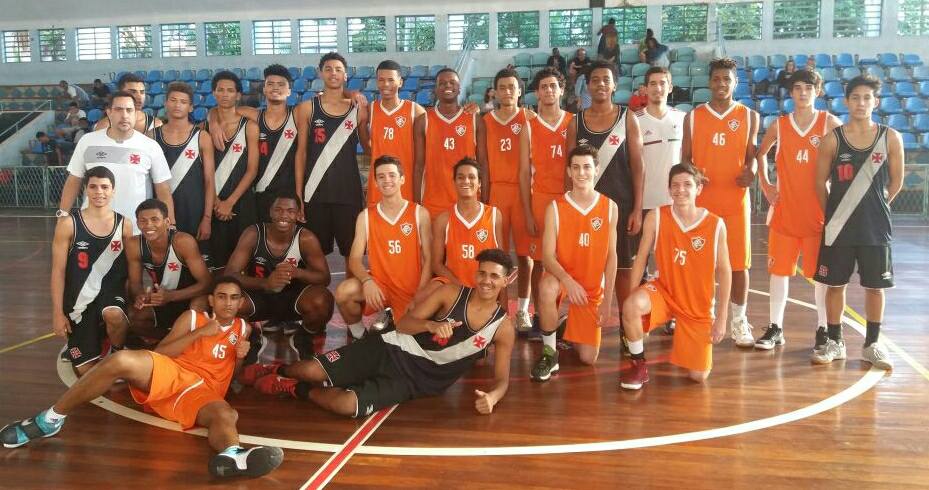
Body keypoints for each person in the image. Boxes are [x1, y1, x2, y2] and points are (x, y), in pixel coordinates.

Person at [1, 277, 285, 479]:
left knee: (226, 414)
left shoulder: (243, 329)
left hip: (204, 393)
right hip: (173, 375)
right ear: (211, 299)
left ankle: (233, 456)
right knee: (121, 360)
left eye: (234, 298)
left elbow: (233, 378)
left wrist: (240, 357)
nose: (228, 303)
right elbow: (161, 353)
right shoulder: (193, 318)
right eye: (221, 296)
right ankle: (49, 419)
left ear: (240, 302)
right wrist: (200, 333)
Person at [243, 249, 516, 418]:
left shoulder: (503, 327)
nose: (486, 281)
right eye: (482, 274)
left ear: (506, 280)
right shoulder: (451, 294)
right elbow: (405, 323)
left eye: (494, 276)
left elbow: (502, 379)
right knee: (311, 371)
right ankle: (279, 369)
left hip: (416, 381)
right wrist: (431, 326)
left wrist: (492, 397)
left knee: (347, 405)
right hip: (390, 347)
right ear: (476, 275)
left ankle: (295, 388)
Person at [811, 75, 902, 370]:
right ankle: (835, 341)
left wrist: (876, 208)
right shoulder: (832, 139)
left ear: (876, 102)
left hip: (876, 228)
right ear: (846, 102)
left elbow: (896, 182)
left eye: (867, 98)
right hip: (839, 227)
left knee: (875, 288)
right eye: (855, 98)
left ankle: (872, 345)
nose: (861, 103)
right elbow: (819, 184)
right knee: (835, 285)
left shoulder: (890, 137)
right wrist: (835, 214)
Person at [619, 164, 731, 388]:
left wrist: (721, 318)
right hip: (664, 292)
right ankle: (638, 365)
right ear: (669, 190)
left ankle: (684, 336)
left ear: (699, 189)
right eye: (675, 185)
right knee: (632, 306)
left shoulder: (715, 225)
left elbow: (725, 271)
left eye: (687, 185)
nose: (681, 190)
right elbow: (640, 259)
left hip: (696, 305)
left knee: (698, 376)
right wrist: (630, 299)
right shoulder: (656, 217)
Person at [754, 69, 842, 350]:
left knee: (821, 277)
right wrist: (766, 185)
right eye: (798, 88)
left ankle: (823, 328)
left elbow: (847, 156)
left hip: (818, 214)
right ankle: (775, 327)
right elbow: (760, 154)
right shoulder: (780, 125)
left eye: (809, 87)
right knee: (779, 273)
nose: (803, 92)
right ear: (791, 92)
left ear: (818, 91)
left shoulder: (829, 123)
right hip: (785, 213)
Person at [681, 57, 759, 348]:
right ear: (709, 82)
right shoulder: (693, 117)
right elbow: (685, 159)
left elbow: (752, 157)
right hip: (702, 205)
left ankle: (739, 320)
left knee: (739, 266)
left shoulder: (749, 116)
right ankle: (701, 317)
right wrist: (694, 175)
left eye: (727, 79)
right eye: (716, 79)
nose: (721, 84)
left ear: (735, 83)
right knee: (699, 265)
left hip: (735, 203)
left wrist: (751, 171)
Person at [568, 59, 645, 331]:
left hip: (621, 206)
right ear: (587, 86)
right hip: (585, 210)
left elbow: (638, 166)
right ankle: (584, 327)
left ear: (614, 85)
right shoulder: (575, 122)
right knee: (584, 268)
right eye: (595, 80)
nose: (600, 84)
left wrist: (637, 209)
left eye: (606, 79)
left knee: (623, 269)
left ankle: (627, 328)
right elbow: (569, 168)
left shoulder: (628, 118)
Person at [530, 145, 618, 381]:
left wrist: (608, 301)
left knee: (587, 358)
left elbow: (612, 257)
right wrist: (567, 281)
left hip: (590, 289)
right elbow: (547, 256)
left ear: (596, 169)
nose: (581, 173)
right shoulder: (555, 208)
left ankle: (564, 324)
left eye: (587, 167)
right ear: (568, 171)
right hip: (562, 279)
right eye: (576, 167)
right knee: (546, 288)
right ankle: (549, 353)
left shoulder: (610, 207)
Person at [224, 192, 334, 360]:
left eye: (290, 211)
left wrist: (296, 272)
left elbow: (324, 278)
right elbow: (230, 275)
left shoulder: (305, 238)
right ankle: (252, 335)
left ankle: (303, 336)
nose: (284, 215)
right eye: (278, 210)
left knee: (321, 301)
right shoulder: (254, 233)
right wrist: (265, 283)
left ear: (298, 214)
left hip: (293, 299)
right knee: (230, 301)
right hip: (260, 297)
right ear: (270, 212)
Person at [336, 155, 432, 340]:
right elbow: (354, 259)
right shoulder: (365, 216)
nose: (387, 180)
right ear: (375, 182)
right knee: (344, 292)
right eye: (381, 176)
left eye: (392, 175)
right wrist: (367, 281)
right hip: (380, 286)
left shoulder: (419, 213)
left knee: (410, 339)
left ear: (402, 179)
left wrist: (421, 294)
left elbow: (429, 259)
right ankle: (360, 336)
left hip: (410, 289)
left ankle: (392, 316)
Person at [50, 166, 135, 375]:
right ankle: (93, 336)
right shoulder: (68, 224)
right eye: (93, 187)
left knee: (114, 314)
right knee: (86, 372)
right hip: (79, 299)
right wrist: (57, 313)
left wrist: (134, 299)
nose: (99, 192)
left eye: (105, 187)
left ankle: (117, 351)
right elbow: (58, 272)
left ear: (113, 190)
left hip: (110, 293)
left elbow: (133, 266)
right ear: (85, 190)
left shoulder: (124, 224)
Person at [57, 91, 175, 234]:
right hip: (91, 229)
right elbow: (74, 180)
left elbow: (163, 189)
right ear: (109, 112)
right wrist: (62, 215)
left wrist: (171, 224)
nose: (124, 115)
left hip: (136, 230)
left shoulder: (150, 146)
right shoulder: (87, 141)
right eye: (119, 109)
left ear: (135, 113)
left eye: (129, 110)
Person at [296, 52, 366, 266]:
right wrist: (298, 194)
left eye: (338, 69)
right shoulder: (307, 108)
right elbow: (301, 153)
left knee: (352, 256)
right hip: (315, 192)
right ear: (320, 73)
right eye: (328, 69)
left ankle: (351, 291)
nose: (333, 73)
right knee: (313, 256)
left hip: (348, 192)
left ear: (346, 75)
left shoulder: (359, 109)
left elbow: (370, 147)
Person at [478, 68, 533, 332]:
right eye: (502, 87)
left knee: (525, 256)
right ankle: (497, 312)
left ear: (519, 91)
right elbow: (483, 164)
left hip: (522, 193)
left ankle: (522, 310)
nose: (507, 91)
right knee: (497, 257)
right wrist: (485, 198)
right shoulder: (485, 121)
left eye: (512, 87)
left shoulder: (530, 118)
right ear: (495, 92)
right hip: (496, 192)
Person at [519, 67, 574, 335]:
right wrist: (528, 213)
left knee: (569, 261)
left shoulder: (573, 122)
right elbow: (523, 172)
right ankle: (540, 316)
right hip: (540, 200)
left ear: (561, 90)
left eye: (553, 86)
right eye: (544, 87)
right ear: (537, 93)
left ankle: (564, 314)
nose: (549, 90)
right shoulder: (529, 127)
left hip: (568, 202)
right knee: (540, 262)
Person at [127, 199, 213, 341]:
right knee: (133, 316)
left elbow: (207, 284)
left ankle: (181, 344)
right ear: (137, 223)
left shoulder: (182, 241)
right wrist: (140, 296)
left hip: (190, 296)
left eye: (155, 219)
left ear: (167, 222)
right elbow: (135, 283)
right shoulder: (134, 244)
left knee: (196, 309)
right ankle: (167, 343)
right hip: (163, 298)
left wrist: (171, 296)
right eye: (143, 221)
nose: (148, 225)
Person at [420, 158, 504, 299]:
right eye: (461, 177)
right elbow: (436, 264)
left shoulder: (494, 215)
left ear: (479, 183)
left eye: (471, 177)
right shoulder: (443, 219)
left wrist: (503, 306)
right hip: (454, 286)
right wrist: (461, 287)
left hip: (483, 288)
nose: (466, 181)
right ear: (454, 182)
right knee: (420, 298)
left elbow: (501, 263)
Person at [203, 71, 259, 271]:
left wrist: (229, 202)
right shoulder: (203, 128)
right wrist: (216, 201)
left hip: (241, 201)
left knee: (244, 262)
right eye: (220, 90)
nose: (225, 94)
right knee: (216, 263)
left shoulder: (249, 126)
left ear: (238, 95)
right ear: (213, 93)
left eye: (230, 90)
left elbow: (252, 170)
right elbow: (202, 172)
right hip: (212, 201)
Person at [153, 81, 215, 239]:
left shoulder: (202, 137)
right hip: (160, 211)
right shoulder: (152, 136)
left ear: (191, 107)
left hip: (194, 210)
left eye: (183, 102)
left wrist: (207, 218)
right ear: (165, 103)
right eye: (173, 100)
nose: (177, 105)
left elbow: (209, 181)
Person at [415, 68, 477, 217]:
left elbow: (483, 164)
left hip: (467, 200)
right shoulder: (423, 121)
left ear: (459, 88)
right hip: (433, 201)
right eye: (442, 83)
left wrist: (484, 199)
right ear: (436, 89)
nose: (447, 86)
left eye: (452, 82)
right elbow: (418, 166)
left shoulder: (474, 119)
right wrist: (417, 203)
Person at [362, 60, 426, 204]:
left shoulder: (415, 110)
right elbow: (367, 146)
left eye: (391, 80)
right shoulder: (371, 109)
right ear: (376, 82)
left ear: (400, 82)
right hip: (378, 185)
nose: (386, 84)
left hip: (405, 184)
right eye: (381, 80)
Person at [250, 65, 298, 223]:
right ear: (264, 89)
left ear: (289, 91)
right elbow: (221, 112)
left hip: (291, 194)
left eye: (281, 84)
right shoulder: (253, 115)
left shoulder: (298, 114)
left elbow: (330, 100)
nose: (275, 88)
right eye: (270, 84)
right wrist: (213, 119)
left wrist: (352, 93)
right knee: (263, 234)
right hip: (262, 192)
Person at [637, 67, 685, 213]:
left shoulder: (683, 118)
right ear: (645, 89)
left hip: (676, 202)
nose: (658, 88)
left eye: (662, 83)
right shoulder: (634, 121)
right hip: (646, 202)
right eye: (653, 83)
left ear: (670, 88)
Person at [94, 73, 162, 133]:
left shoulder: (156, 125)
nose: (139, 97)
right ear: (120, 93)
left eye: (142, 92)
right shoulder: (104, 126)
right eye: (133, 92)